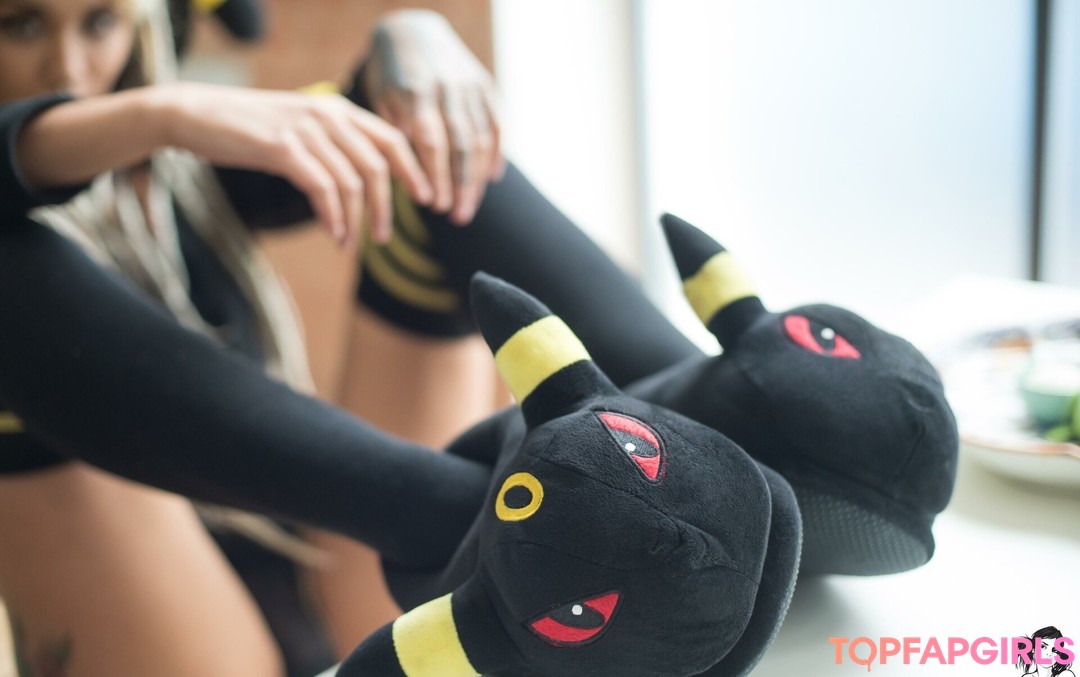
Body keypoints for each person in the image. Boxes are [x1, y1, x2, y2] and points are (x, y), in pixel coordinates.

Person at [0, 0, 510, 674]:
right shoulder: (166, 125)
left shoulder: (182, 177)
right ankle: (461, 509)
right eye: (21, 25)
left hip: (335, 574)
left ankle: (640, 410)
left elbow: (372, 119)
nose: (66, 67)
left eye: (99, 24)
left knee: (430, 142)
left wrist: (416, 35)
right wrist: (165, 113)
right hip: (172, 637)